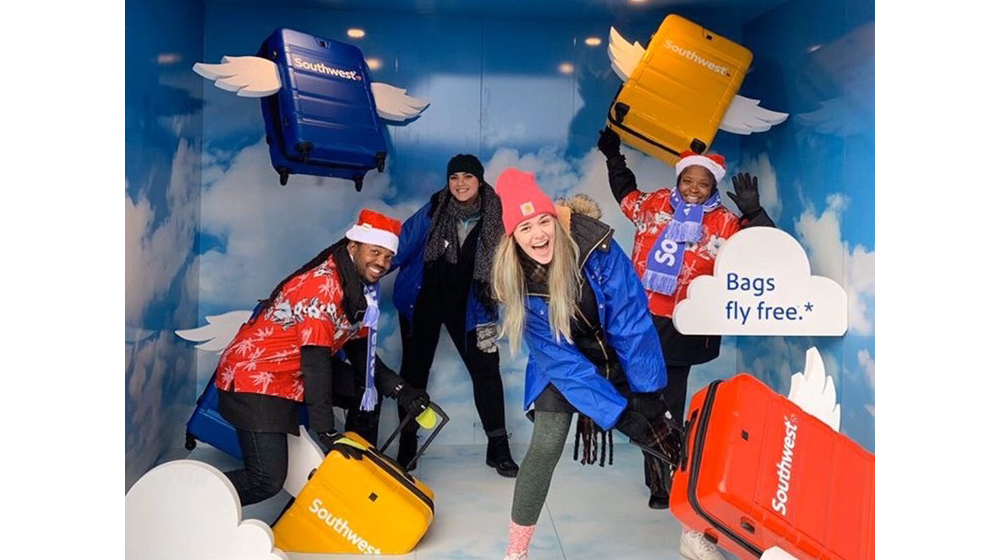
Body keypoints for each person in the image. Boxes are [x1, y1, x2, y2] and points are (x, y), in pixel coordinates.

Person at [597, 128, 774, 560]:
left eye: (704, 183)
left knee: (668, 402)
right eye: (688, 180)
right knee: (640, 396)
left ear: (713, 187)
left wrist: (754, 213)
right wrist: (613, 156)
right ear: (678, 181)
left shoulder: (724, 223)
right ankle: (657, 470)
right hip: (640, 320)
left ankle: (663, 481)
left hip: (687, 323)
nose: (694, 189)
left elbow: (764, 250)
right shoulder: (654, 205)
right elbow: (625, 193)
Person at [490, 168, 682, 560]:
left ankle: (703, 529)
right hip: (562, 364)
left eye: (543, 221)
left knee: (664, 432)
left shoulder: (599, 249)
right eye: (525, 228)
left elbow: (630, 322)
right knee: (545, 445)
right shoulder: (518, 281)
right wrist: (615, 412)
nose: (538, 234)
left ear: (556, 220)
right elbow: (562, 363)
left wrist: (645, 392)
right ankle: (516, 552)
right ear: (513, 237)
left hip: (617, 349)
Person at [214, 209, 432, 506]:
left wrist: (401, 390)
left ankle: (353, 471)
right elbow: (316, 365)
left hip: (294, 373)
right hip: (256, 379)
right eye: (375, 252)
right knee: (265, 480)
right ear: (353, 247)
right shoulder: (322, 286)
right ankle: (192, 500)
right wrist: (327, 431)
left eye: (388, 256)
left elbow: (362, 356)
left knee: (363, 390)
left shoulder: (362, 289)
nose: (382, 263)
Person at [391, 154, 518, 477]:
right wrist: (360, 269)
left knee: (487, 371)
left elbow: (514, 260)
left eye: (468, 177)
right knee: (413, 374)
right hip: (423, 301)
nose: (460, 184)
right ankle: (407, 445)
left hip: (475, 305)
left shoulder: (497, 214)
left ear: (479, 180)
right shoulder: (436, 208)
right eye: (454, 177)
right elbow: (400, 246)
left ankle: (498, 448)